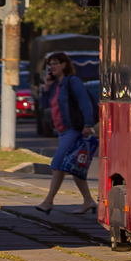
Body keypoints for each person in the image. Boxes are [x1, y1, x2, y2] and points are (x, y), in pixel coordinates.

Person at [36, 52, 97, 215]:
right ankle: (88, 201)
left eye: (55, 63)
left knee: (57, 165)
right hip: (61, 132)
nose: (52, 67)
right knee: (74, 167)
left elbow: (85, 103)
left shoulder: (73, 81)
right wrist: (46, 87)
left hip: (73, 130)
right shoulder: (55, 85)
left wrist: (88, 124)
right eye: (50, 65)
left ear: (64, 64)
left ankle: (48, 202)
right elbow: (43, 105)